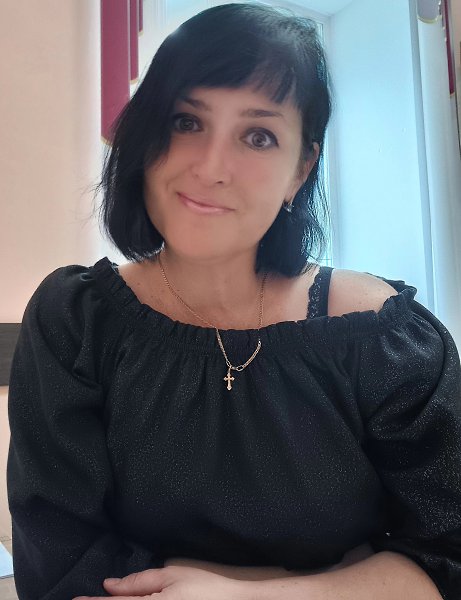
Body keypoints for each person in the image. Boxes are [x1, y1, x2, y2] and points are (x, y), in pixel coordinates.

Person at [7, 3, 461, 599]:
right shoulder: (75, 322)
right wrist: (346, 577)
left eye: (258, 136)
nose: (211, 167)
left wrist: (246, 593)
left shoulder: (383, 339)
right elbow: (61, 568)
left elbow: (446, 561)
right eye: (186, 121)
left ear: (302, 168)